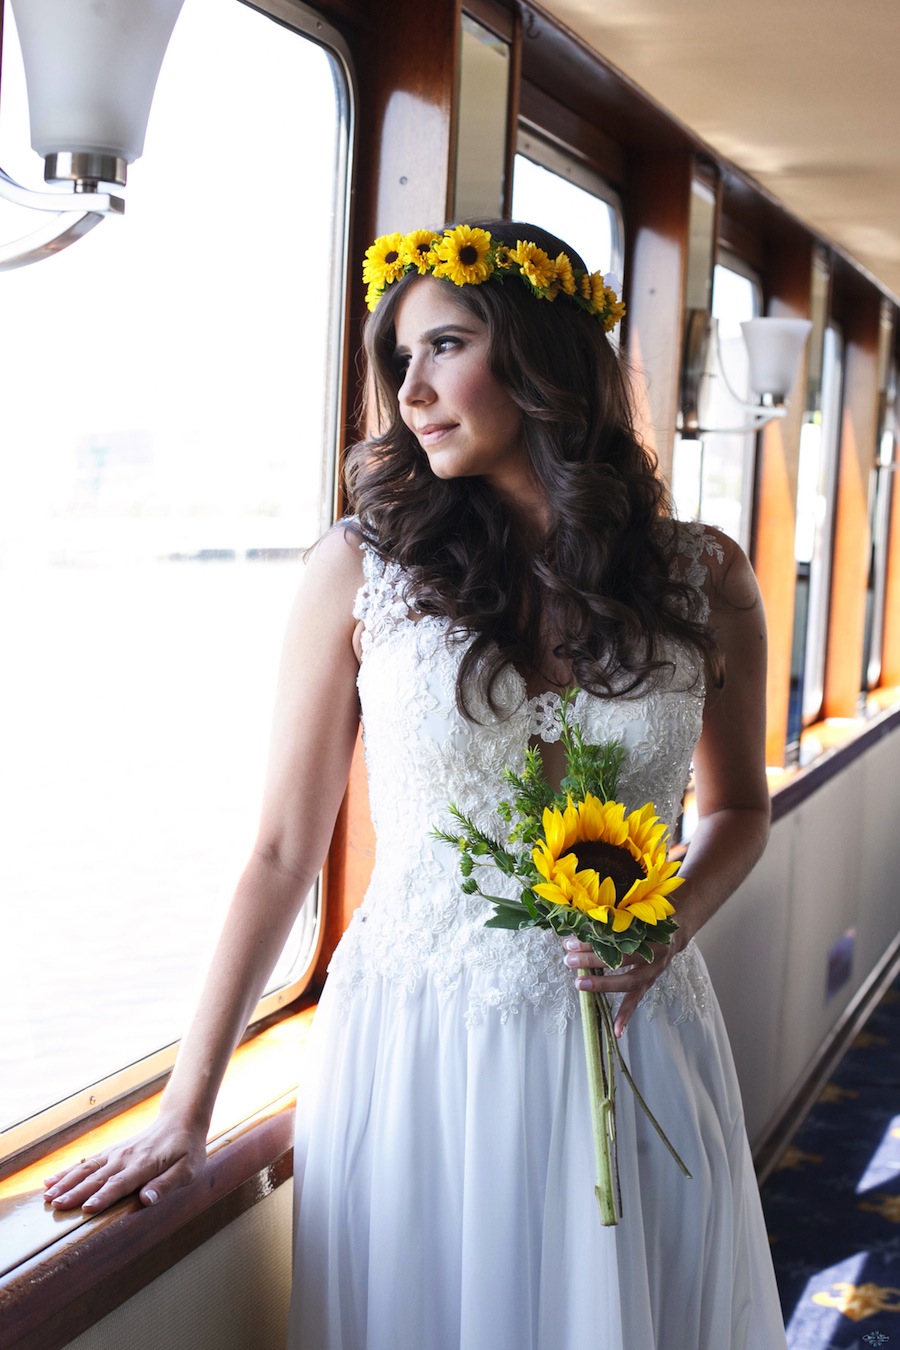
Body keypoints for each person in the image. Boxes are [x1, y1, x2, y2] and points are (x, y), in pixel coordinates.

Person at [44, 221, 787, 1350]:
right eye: (399, 361)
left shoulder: (706, 575)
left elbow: (738, 810)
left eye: (445, 345)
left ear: (541, 357)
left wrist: (668, 925)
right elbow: (284, 855)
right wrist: (183, 1116)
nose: (412, 389)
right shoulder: (360, 569)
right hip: (420, 1046)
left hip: (637, 1035)